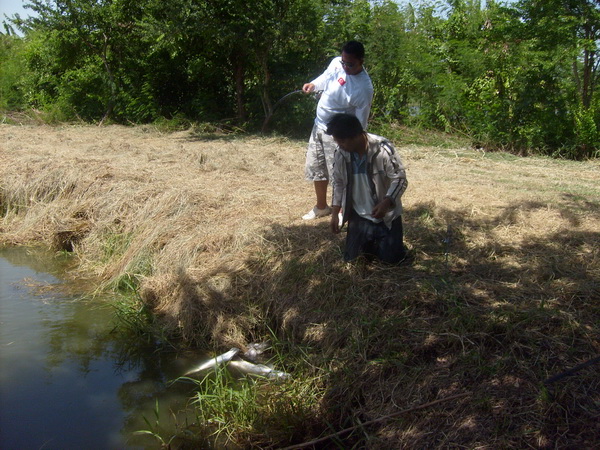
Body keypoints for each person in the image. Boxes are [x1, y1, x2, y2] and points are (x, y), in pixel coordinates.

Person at [301, 41, 374, 220]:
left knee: (339, 176)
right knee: (317, 168)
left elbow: (360, 123)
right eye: (344, 62)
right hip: (318, 125)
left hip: (337, 136)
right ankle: (321, 207)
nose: (345, 67)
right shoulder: (337, 64)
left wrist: (352, 143)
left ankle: (341, 210)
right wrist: (313, 84)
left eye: (350, 64)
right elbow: (326, 77)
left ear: (361, 61)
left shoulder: (363, 88)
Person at [326, 113, 408, 264]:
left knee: (392, 262)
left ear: (357, 135)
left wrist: (386, 202)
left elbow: (400, 179)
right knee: (353, 260)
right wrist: (334, 213)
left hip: (386, 217)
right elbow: (338, 183)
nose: (340, 145)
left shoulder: (383, 148)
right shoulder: (341, 153)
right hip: (359, 217)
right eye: (337, 141)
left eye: (342, 141)